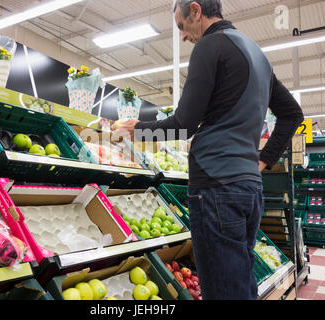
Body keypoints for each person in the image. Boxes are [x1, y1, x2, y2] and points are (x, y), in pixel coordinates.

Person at [112, 0, 304, 300]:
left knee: (222, 291)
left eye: (181, 26)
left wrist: (138, 130)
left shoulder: (211, 45)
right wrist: (262, 162)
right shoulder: (257, 54)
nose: (184, 37)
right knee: (240, 283)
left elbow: (184, 124)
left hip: (216, 189)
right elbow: (292, 114)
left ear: (196, 10)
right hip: (249, 190)